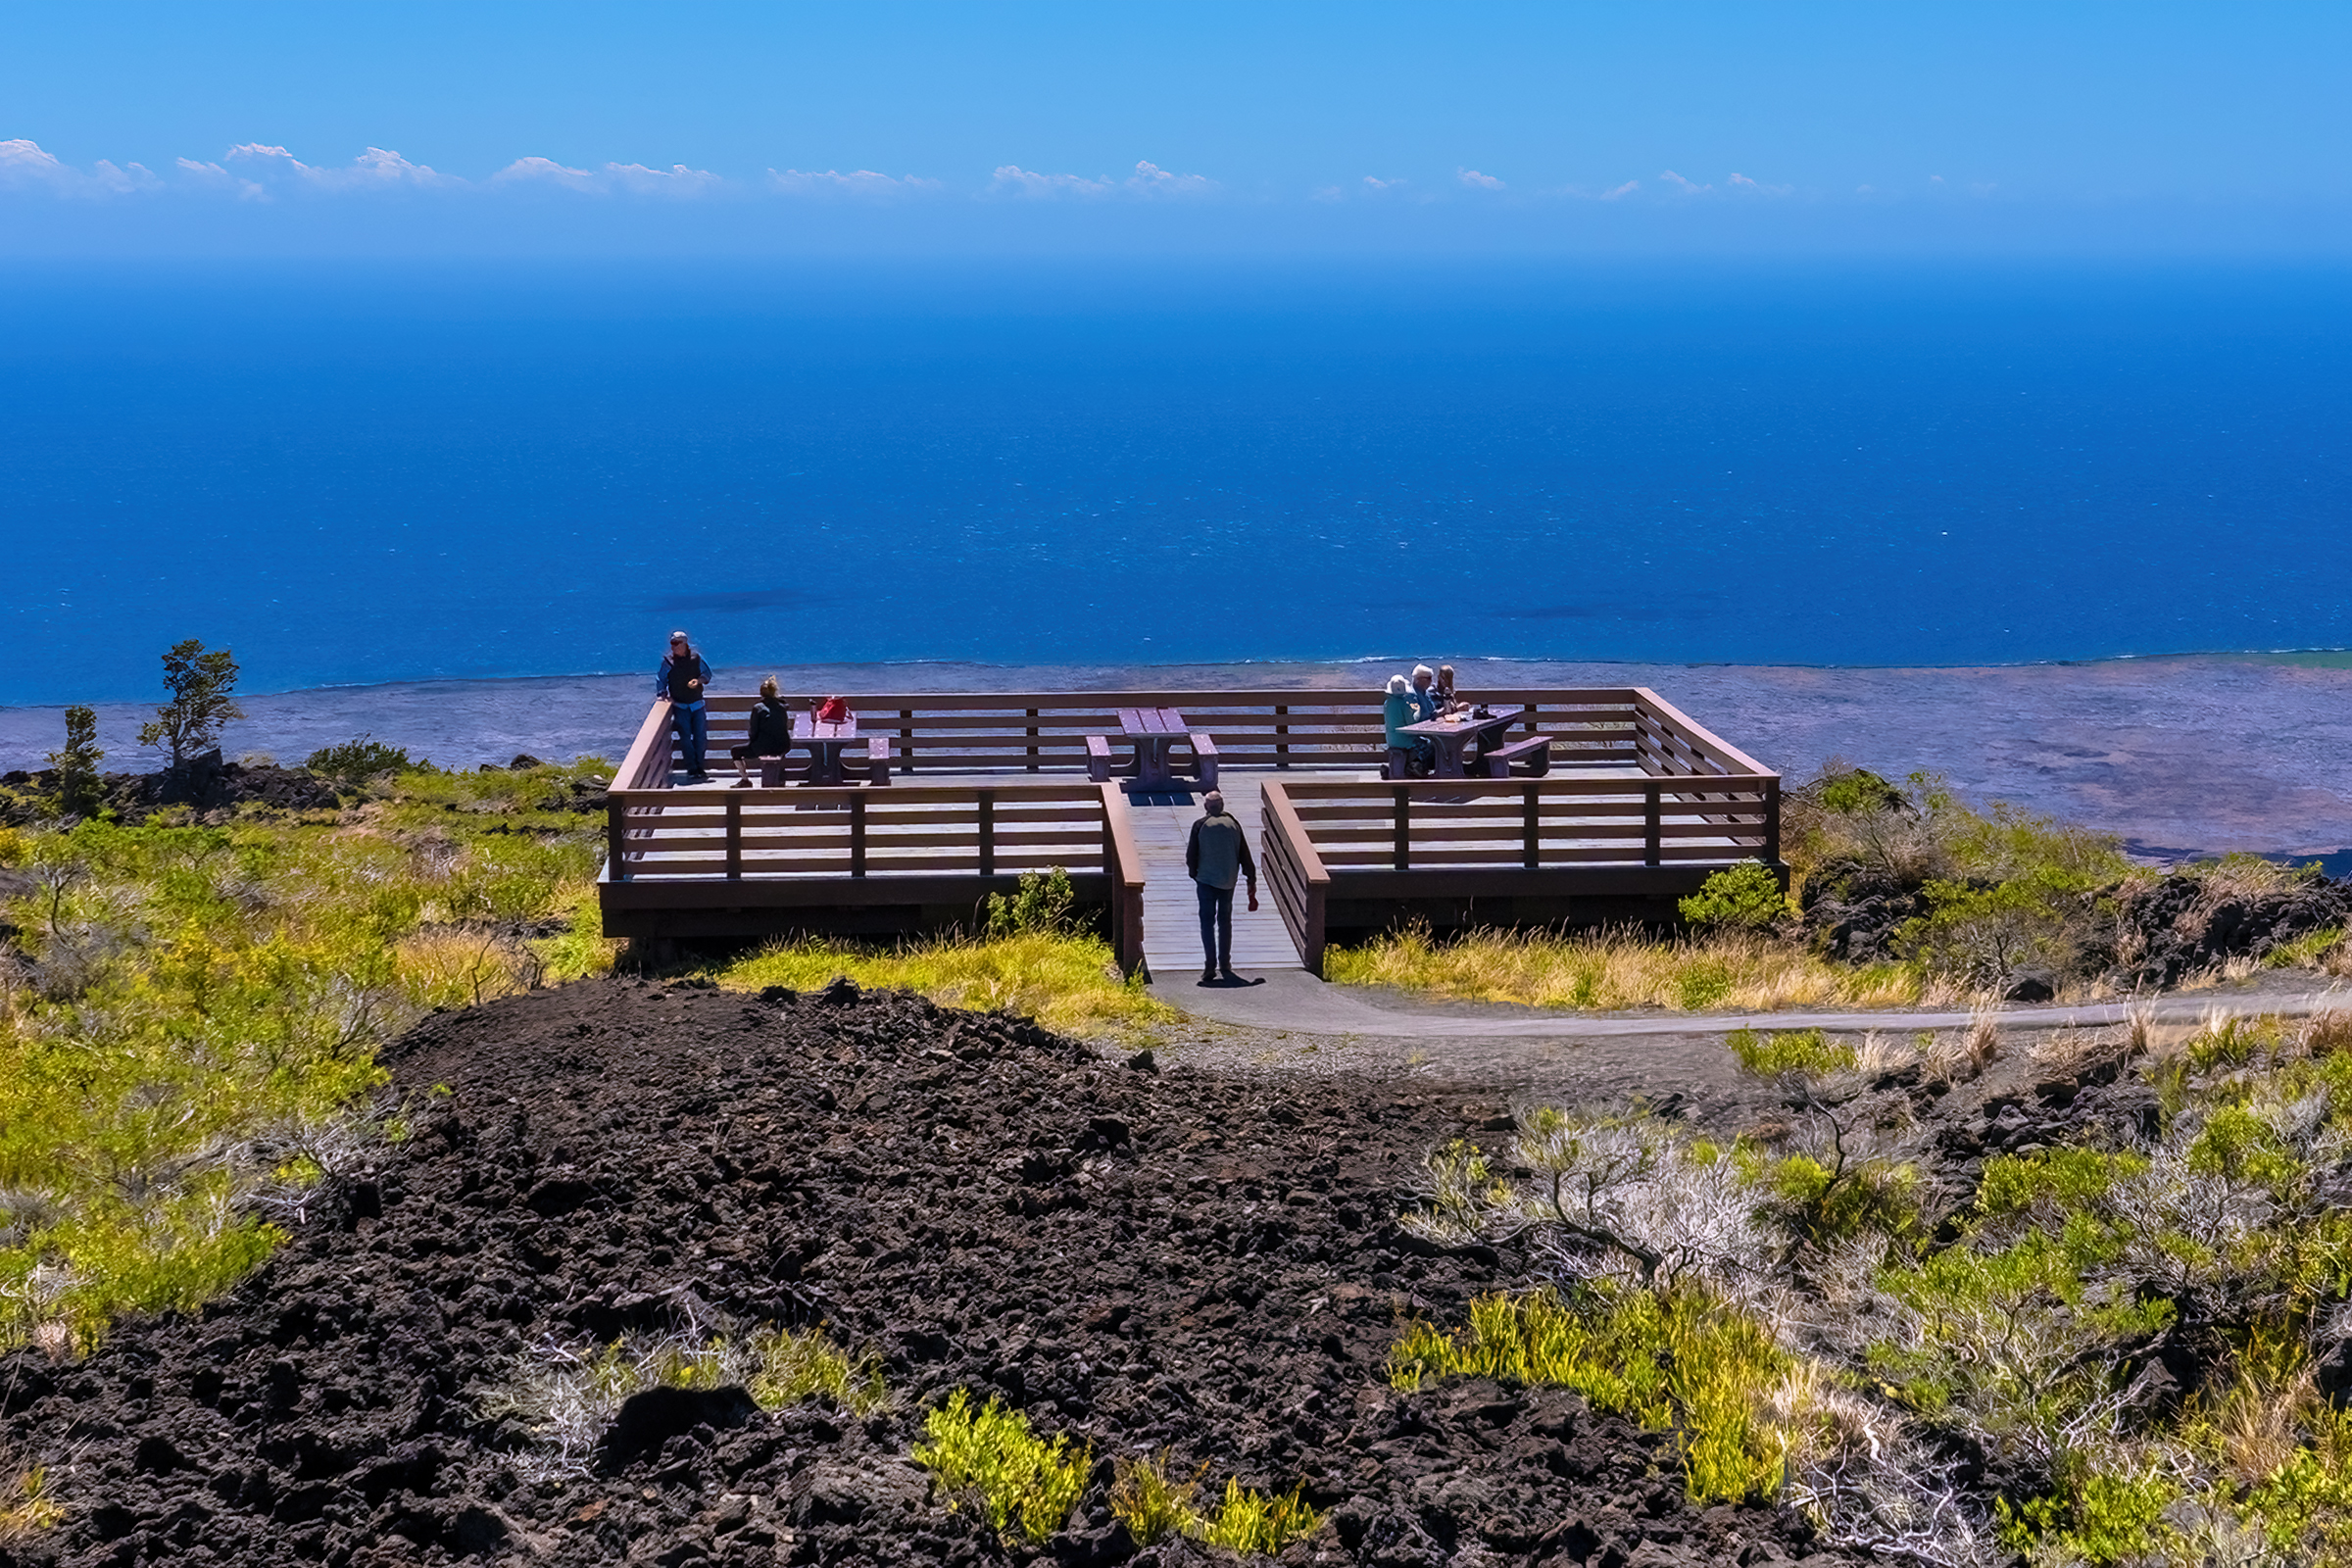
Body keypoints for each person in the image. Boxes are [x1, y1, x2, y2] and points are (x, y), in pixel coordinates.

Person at [1185, 789, 1258, 983]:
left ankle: (1210, 965)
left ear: (1206, 807)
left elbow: (1191, 855)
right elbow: (1244, 853)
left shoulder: (1199, 825)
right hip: (1228, 881)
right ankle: (1225, 963)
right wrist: (1251, 877)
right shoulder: (1234, 825)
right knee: (1225, 921)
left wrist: (1195, 874)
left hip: (1206, 880)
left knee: (1207, 922)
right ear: (1222, 806)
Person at [656, 631, 714, 782]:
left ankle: (700, 767)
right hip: (680, 706)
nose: (674, 647)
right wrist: (662, 694)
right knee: (685, 739)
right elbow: (661, 679)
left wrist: (698, 681)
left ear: (684, 643)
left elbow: (707, 674)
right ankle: (692, 769)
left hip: (697, 704)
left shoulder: (696, 658)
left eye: (677, 643)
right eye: (672, 644)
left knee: (701, 737)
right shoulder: (668, 662)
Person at [732, 676, 793, 787]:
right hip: (783, 745)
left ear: (761, 693)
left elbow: (753, 732)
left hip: (764, 747)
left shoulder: (758, 708)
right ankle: (779, 776)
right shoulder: (782, 706)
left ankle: (745, 780)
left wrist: (752, 743)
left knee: (735, 751)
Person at [1384, 674, 1431, 776]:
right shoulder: (1404, 704)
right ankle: (1415, 767)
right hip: (1405, 741)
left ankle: (1396, 769)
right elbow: (1412, 724)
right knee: (1426, 745)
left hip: (1392, 740)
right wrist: (1417, 711)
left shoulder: (1387, 703)